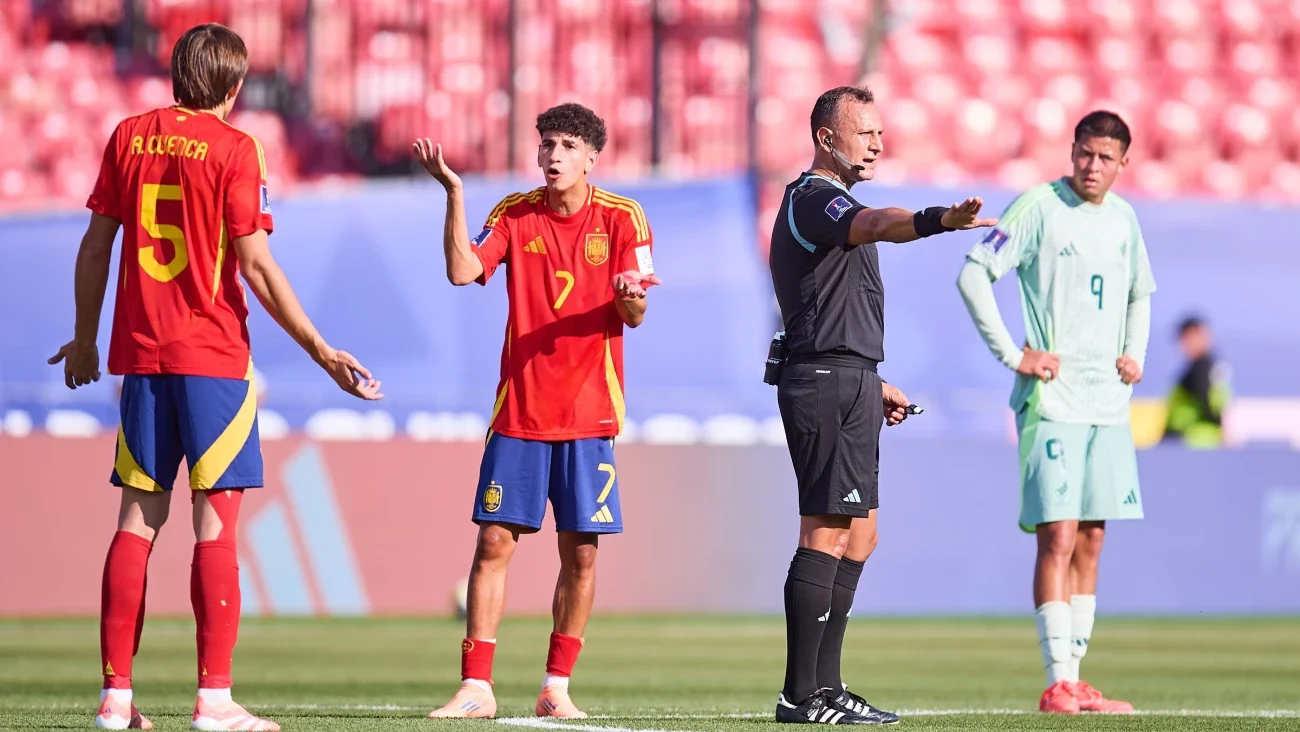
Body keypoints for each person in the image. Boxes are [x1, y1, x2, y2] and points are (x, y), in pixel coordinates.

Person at [49, 23, 382, 732]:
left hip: (141, 358)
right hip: (213, 359)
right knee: (215, 524)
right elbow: (256, 265)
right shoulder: (236, 148)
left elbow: (96, 245)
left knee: (137, 520)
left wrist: (84, 337)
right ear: (233, 86)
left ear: (176, 73)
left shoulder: (128, 135)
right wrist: (322, 350)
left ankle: (116, 699)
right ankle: (215, 700)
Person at [413, 103, 660, 720]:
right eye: (548, 143)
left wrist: (629, 297)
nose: (554, 154)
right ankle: (476, 687)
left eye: (568, 145)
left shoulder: (623, 217)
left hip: (590, 414)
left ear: (592, 157)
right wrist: (454, 193)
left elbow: (635, 313)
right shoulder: (514, 213)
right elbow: (462, 270)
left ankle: (556, 686)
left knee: (581, 553)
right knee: (494, 542)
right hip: (519, 412)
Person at [768, 85, 997, 725]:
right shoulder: (816, 198)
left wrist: (872, 380)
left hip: (850, 377)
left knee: (861, 536)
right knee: (825, 532)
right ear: (826, 138)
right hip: (824, 380)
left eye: (880, 132)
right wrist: (935, 220)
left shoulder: (832, 205)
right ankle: (800, 696)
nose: (876, 142)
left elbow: (832, 304)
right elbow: (873, 224)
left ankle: (828, 685)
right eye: (864, 131)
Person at [955, 111, 1156, 715]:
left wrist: (1135, 353)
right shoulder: (1038, 207)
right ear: (1072, 152)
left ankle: (1078, 679)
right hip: (1053, 401)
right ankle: (1057, 681)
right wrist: (1014, 355)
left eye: (1105, 158)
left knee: (1092, 539)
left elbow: (1139, 293)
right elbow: (973, 275)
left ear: (1124, 163)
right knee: (1059, 535)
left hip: (1107, 404)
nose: (1092, 166)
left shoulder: (1124, 219)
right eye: (1085, 154)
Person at [1162, 315, 1230, 448]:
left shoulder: (1202, 368)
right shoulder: (1212, 366)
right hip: (1201, 439)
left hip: (1191, 440)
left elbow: (1207, 401)